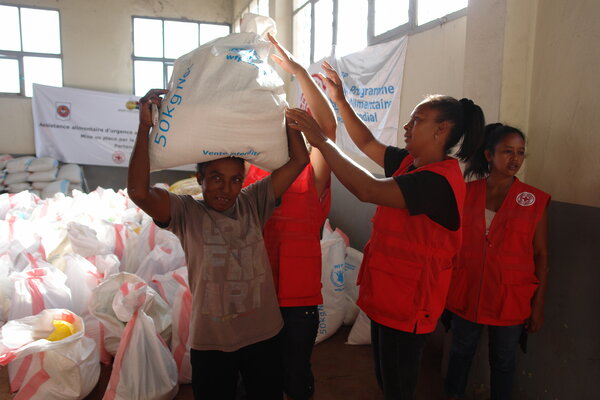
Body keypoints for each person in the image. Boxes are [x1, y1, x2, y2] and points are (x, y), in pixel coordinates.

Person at [285, 61, 485, 400]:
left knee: (398, 388)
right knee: (386, 379)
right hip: (387, 298)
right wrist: (340, 101)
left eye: (417, 120)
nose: (407, 126)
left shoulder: (438, 181)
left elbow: (369, 189)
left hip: (410, 307)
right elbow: (365, 143)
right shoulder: (410, 164)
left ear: (442, 130)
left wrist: (319, 140)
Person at [127, 88, 309, 400]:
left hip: (264, 334)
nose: (226, 189)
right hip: (212, 341)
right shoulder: (187, 212)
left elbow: (300, 159)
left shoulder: (254, 202)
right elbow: (139, 192)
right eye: (215, 178)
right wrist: (145, 127)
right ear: (199, 178)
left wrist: (285, 116)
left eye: (236, 179)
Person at [242, 34, 336, 400]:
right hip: (254, 297)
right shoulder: (250, 175)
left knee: (296, 376)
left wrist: (298, 72)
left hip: (299, 304)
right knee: (257, 378)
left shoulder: (311, 176)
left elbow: (327, 132)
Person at [444, 123, 550, 400]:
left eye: (520, 152)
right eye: (507, 152)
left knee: (503, 362)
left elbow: (541, 254)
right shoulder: (466, 193)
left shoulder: (534, 200)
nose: (515, 158)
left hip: (510, 298)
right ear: (489, 155)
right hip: (467, 292)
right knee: (459, 354)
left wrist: (537, 305)